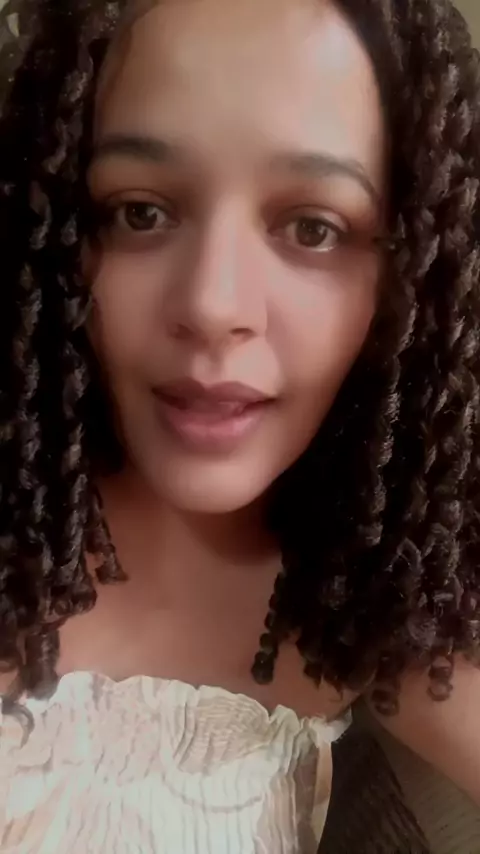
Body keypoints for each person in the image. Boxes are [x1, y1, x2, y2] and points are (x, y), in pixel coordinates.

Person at [0, 0, 480, 850]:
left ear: (409, 282)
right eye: (141, 212)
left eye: (313, 228)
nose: (213, 303)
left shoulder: (371, 612)